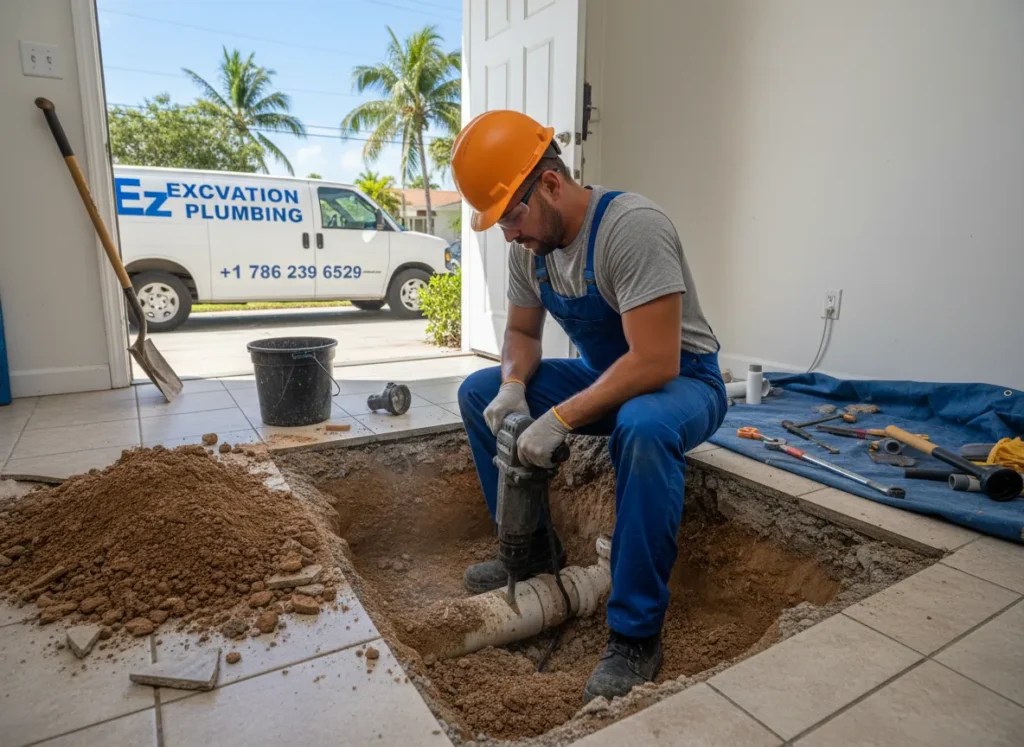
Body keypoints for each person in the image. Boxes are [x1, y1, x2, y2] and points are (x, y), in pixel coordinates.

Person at [452, 110, 727, 702]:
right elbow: (521, 335)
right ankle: (531, 550)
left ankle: (635, 634)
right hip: (609, 376)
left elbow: (655, 361)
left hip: (684, 381)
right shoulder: (531, 249)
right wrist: (513, 386)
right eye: (500, 223)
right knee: (477, 392)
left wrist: (559, 418)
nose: (509, 235)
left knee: (643, 426)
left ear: (551, 184)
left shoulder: (631, 229)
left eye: (512, 216)